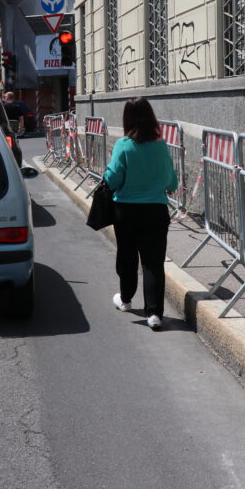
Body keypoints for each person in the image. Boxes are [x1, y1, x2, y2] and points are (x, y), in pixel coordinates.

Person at [103, 97, 178, 329]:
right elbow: (171, 182)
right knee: (153, 262)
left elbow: (112, 179)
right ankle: (154, 314)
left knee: (127, 257)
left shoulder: (123, 145)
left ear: (127, 119)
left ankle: (125, 300)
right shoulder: (160, 145)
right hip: (156, 209)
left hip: (126, 210)